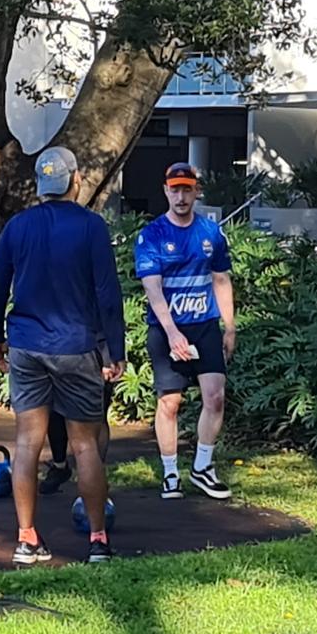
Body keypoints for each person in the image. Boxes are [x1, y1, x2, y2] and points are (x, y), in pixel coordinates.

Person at [0, 147, 126, 565]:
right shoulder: (91, 227)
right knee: (85, 444)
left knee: (27, 442)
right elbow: (107, 293)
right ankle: (98, 540)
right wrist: (114, 351)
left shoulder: (17, 226)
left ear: (40, 184)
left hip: (27, 345)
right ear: (75, 180)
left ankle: (27, 539)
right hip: (76, 346)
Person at [134, 163, 236, 501]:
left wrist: (230, 326)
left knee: (215, 396)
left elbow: (221, 279)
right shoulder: (152, 235)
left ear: (196, 191)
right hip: (166, 330)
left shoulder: (211, 233)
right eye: (175, 189)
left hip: (205, 325)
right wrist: (172, 332)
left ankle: (203, 467)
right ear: (165, 191)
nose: (181, 196)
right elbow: (153, 289)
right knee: (170, 403)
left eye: (187, 189)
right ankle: (170, 472)